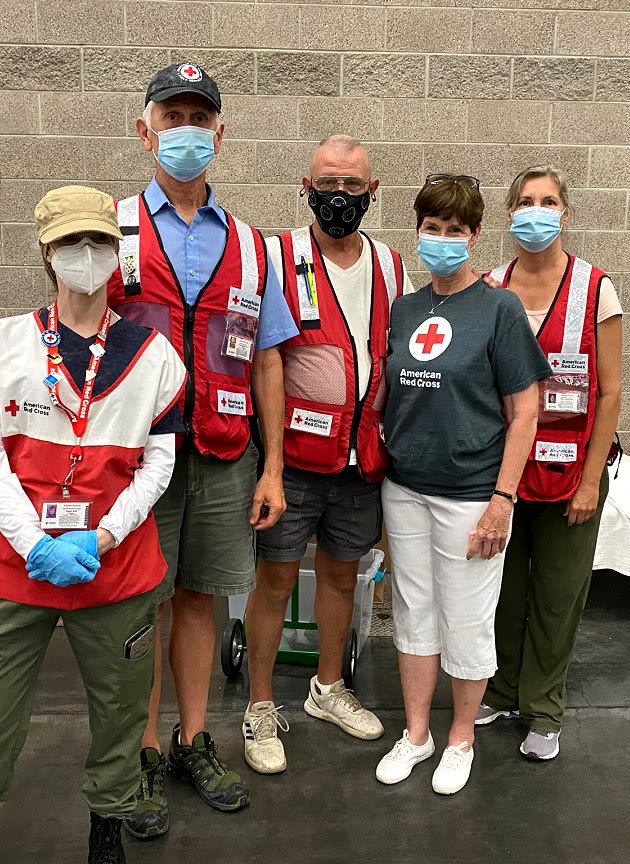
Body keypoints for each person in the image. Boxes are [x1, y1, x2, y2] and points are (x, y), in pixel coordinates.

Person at [0, 185, 186, 864]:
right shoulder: (4, 342)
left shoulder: (154, 356)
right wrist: (37, 544)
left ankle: (110, 819)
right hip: (16, 572)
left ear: (117, 252)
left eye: (99, 241)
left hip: (117, 568)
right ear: (46, 252)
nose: (86, 255)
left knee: (122, 717)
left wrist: (98, 537)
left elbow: (157, 469)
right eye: (72, 242)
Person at [106, 63, 296, 836]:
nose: (186, 129)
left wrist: (275, 465)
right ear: (143, 128)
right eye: (171, 114)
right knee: (143, 604)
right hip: (135, 457)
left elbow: (269, 358)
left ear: (220, 134)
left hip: (224, 452)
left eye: (199, 117)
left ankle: (192, 739)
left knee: (199, 599)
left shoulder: (253, 247)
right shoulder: (110, 227)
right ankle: (144, 750)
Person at [242, 135, 414, 775]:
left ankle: (328, 688)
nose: (338, 196)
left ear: (372, 193)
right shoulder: (277, 256)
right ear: (306, 188)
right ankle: (260, 706)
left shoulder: (393, 266)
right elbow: (266, 361)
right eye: (327, 183)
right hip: (295, 460)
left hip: (361, 461)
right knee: (276, 579)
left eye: (351, 186)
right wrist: (272, 466)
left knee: (343, 577)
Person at [375, 175, 548, 795]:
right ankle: (417, 734)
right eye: (431, 229)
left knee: (468, 619)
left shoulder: (499, 308)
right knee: (413, 613)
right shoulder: (405, 309)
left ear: (474, 235)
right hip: (405, 487)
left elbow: (525, 411)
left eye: (455, 231)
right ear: (417, 231)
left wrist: (502, 499)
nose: (442, 240)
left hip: (473, 491)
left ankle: (462, 737)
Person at [478, 165, 623, 762]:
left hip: (571, 479)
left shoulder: (596, 288)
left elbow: (609, 391)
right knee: (503, 593)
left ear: (564, 212)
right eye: (525, 201)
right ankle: (503, 688)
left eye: (549, 201)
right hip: (504, 477)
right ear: (510, 214)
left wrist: (591, 479)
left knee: (558, 598)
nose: (536, 211)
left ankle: (545, 708)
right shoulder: (487, 287)